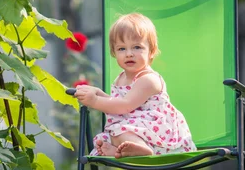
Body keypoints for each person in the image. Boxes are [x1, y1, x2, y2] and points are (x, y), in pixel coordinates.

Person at [74, 13, 196, 158]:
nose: (129, 54)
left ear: (151, 51)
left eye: (137, 47)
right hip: (136, 130)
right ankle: (122, 151)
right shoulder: (121, 79)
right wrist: (98, 93)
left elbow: (125, 105)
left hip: (160, 138)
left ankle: (142, 149)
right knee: (108, 136)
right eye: (121, 49)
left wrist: (94, 101)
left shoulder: (148, 80)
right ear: (114, 52)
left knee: (119, 130)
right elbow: (119, 106)